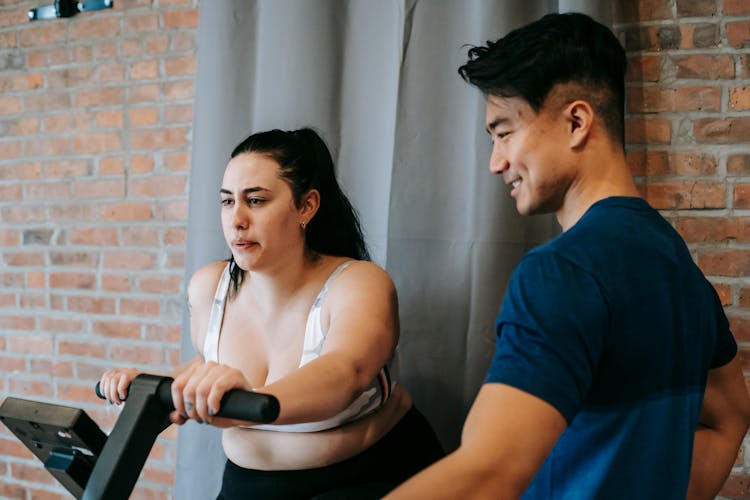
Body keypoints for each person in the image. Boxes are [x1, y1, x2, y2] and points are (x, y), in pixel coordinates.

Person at [387, 12, 750, 499]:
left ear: (576, 122)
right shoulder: (677, 265)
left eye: (504, 131)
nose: (496, 163)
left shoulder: (561, 272)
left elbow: (489, 474)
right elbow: (730, 419)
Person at [100, 127, 444, 499]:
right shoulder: (208, 287)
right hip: (249, 486)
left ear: (307, 206)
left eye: (257, 201)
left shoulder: (359, 283)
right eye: (227, 201)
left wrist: (249, 403)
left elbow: (347, 372)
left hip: (366, 479)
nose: (237, 220)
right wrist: (153, 387)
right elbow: (207, 361)